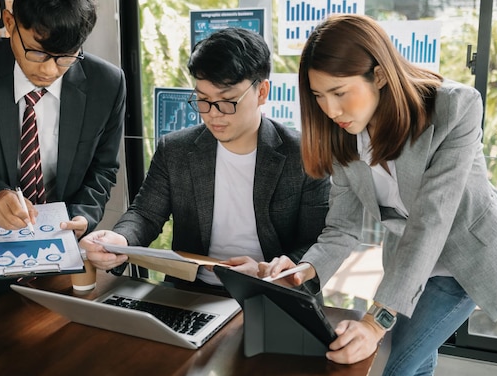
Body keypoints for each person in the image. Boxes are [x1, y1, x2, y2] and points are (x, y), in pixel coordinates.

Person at [259, 14, 497, 376]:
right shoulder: (344, 135)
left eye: (339, 92)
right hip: (406, 263)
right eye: (319, 96)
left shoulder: (456, 109)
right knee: (416, 370)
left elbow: (431, 222)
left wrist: (374, 322)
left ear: (380, 75)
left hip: (462, 260)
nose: (330, 110)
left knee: (392, 372)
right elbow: (341, 228)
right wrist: (305, 271)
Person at [79, 27, 330, 290]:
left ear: (262, 92)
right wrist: (119, 240)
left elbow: (318, 243)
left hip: (275, 296)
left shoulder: (304, 154)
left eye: (227, 101)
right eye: (202, 100)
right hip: (192, 292)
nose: (213, 114)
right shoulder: (176, 149)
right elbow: (145, 214)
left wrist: (270, 275)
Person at [0, 0, 126, 313]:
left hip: (63, 249)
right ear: (10, 23)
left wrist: (84, 215)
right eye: (37, 52)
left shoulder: (107, 83)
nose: (49, 70)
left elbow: (103, 168)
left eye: (65, 57)